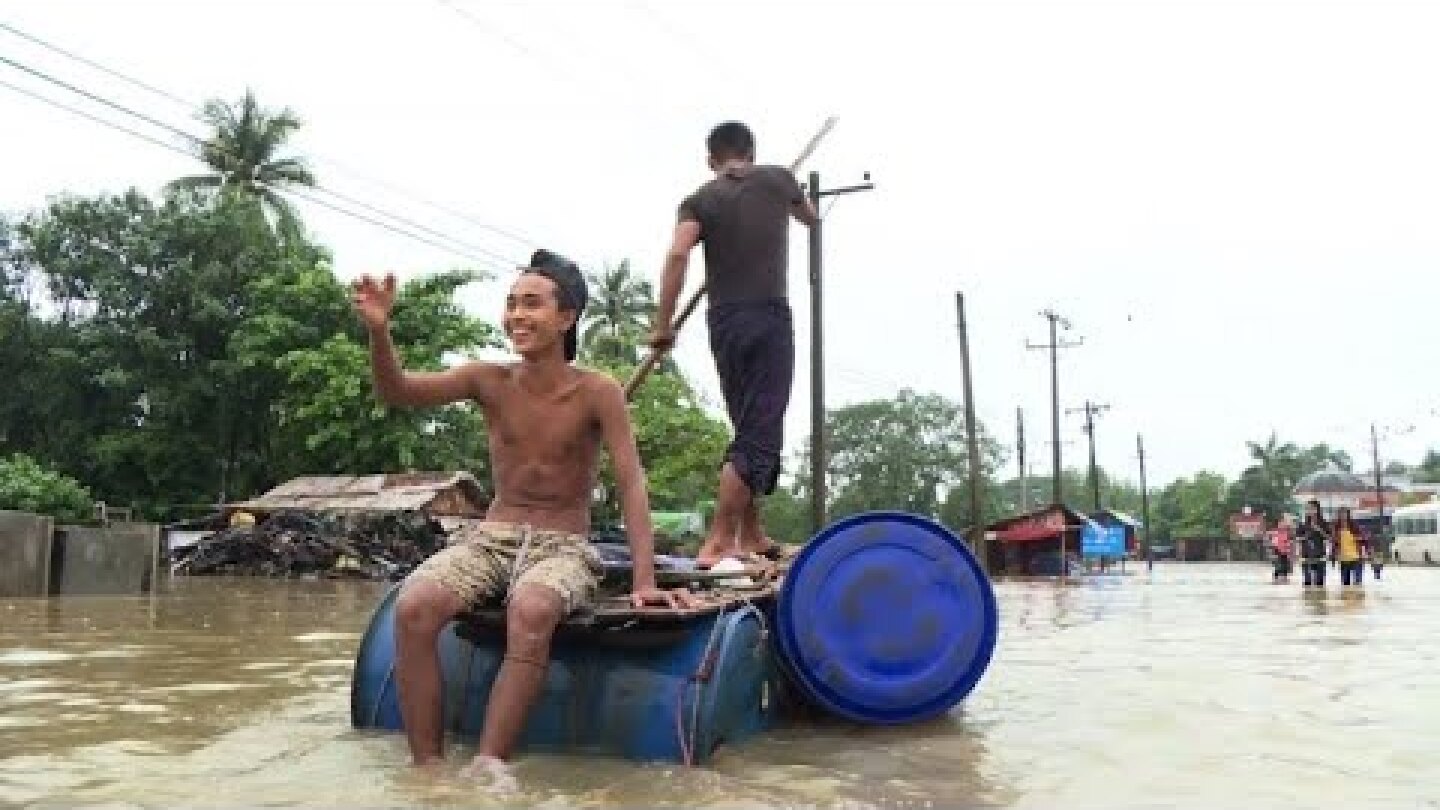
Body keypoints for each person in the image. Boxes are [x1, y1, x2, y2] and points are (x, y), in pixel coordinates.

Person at [352, 250, 691, 788]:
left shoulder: (598, 392)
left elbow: (631, 482)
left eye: (531, 303)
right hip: (491, 539)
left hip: (563, 547)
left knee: (531, 609)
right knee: (414, 607)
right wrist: (378, 332)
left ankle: (490, 765)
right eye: (511, 304)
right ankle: (428, 771)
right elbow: (398, 391)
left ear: (567, 317)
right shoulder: (488, 380)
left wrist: (645, 581)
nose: (517, 316)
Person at [649, 121, 819, 568]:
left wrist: (662, 325)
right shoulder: (778, 179)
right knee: (759, 432)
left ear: (711, 160)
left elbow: (678, 254)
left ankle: (752, 532)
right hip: (768, 317)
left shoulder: (699, 200)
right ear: (752, 151)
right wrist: (794, 195)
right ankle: (721, 539)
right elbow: (811, 218)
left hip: (723, 323)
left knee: (748, 425)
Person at [1331, 507, 1370, 589]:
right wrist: (1333, 558)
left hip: (1357, 559)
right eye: (1341, 514)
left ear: (1348, 515)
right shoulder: (1336, 528)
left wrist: (1366, 551)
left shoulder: (1355, 526)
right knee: (1345, 586)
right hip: (1344, 560)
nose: (1343, 516)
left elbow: (1365, 539)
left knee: (1358, 584)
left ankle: (1358, 600)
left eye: (1345, 514)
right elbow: (1334, 544)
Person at [1296, 500, 1331, 589]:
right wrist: (1305, 537)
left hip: (1320, 555)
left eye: (1312, 508)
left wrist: (1319, 530)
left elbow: (1329, 538)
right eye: (1308, 509)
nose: (1310, 511)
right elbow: (1297, 539)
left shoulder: (1323, 523)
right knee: (1307, 583)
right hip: (1306, 555)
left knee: (1320, 583)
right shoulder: (1303, 524)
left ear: (1317, 510)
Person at [1268, 514, 1295, 584]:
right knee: (1278, 565)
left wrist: (1290, 550)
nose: (1283, 523)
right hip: (1277, 551)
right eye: (1281, 522)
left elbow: (1291, 541)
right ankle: (1276, 579)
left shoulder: (1288, 531)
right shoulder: (1275, 531)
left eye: (1284, 522)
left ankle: (1284, 578)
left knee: (1285, 565)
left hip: (1286, 551)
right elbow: (1273, 541)